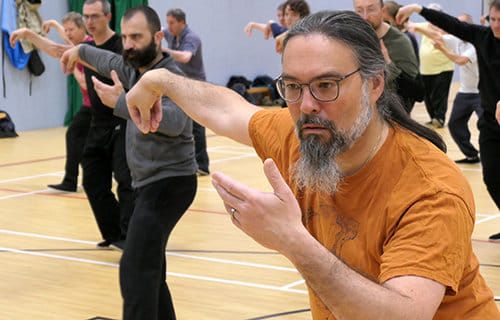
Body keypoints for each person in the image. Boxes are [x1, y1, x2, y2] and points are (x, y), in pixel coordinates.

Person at [126, 10, 499, 320]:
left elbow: (403, 315)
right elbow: (228, 109)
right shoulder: (305, 135)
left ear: (374, 84)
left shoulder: (430, 187)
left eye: (326, 85)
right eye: (292, 86)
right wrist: (161, 80)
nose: (306, 106)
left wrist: (292, 240)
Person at [61, 6, 197, 320]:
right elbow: (106, 60)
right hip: (147, 186)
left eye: (137, 36)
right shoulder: (133, 67)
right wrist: (79, 50)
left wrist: (119, 102)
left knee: (135, 269)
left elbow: (175, 122)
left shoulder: (172, 76)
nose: (129, 44)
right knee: (149, 268)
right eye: (125, 37)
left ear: (158, 37)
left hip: (171, 183)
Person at [397, 1, 500, 241]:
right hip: (490, 122)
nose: (496, 25)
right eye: (493, 20)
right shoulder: (482, 36)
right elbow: (450, 24)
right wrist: (418, 9)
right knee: (492, 175)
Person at [10, 12, 92, 193]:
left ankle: (75, 181)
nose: (68, 33)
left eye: (72, 29)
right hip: (89, 105)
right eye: (67, 29)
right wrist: (52, 24)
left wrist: (74, 70)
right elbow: (56, 46)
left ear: (82, 28)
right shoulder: (77, 44)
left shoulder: (87, 47)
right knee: (81, 140)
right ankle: (82, 180)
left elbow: (87, 83)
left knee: (77, 137)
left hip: (97, 107)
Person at [77, 0, 134, 249]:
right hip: (97, 124)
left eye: (95, 16)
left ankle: (129, 236)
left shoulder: (122, 46)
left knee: (125, 181)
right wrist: (28, 35)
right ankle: (112, 233)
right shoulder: (86, 47)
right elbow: (60, 50)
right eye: (86, 16)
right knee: (91, 180)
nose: (89, 21)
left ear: (108, 16)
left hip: (122, 122)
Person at [162, 8, 210, 176]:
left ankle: (202, 165)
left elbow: (185, 57)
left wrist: (166, 51)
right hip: (179, 84)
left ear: (182, 22)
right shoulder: (169, 34)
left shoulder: (191, 37)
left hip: (195, 85)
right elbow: (158, 33)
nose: (168, 27)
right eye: (167, 23)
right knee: (176, 121)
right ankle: (179, 161)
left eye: (172, 23)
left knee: (197, 125)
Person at [354, 0, 423, 113]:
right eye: (359, 10)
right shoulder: (352, 40)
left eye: (371, 9)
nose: (365, 17)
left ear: (383, 10)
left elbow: (417, 92)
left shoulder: (400, 42)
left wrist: (388, 64)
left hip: (393, 120)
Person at [433, 14, 482, 164]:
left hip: (482, 93)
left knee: (489, 126)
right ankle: (471, 155)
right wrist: (417, 28)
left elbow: (460, 60)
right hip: (465, 92)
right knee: (455, 124)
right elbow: (438, 36)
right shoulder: (457, 40)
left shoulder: (476, 43)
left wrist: (442, 49)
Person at [405, 3, 454, 129]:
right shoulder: (426, 26)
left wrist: (418, 28)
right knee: (428, 98)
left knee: (440, 96)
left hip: (443, 68)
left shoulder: (445, 26)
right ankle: (433, 118)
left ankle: (439, 118)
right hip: (426, 69)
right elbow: (410, 26)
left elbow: (440, 36)